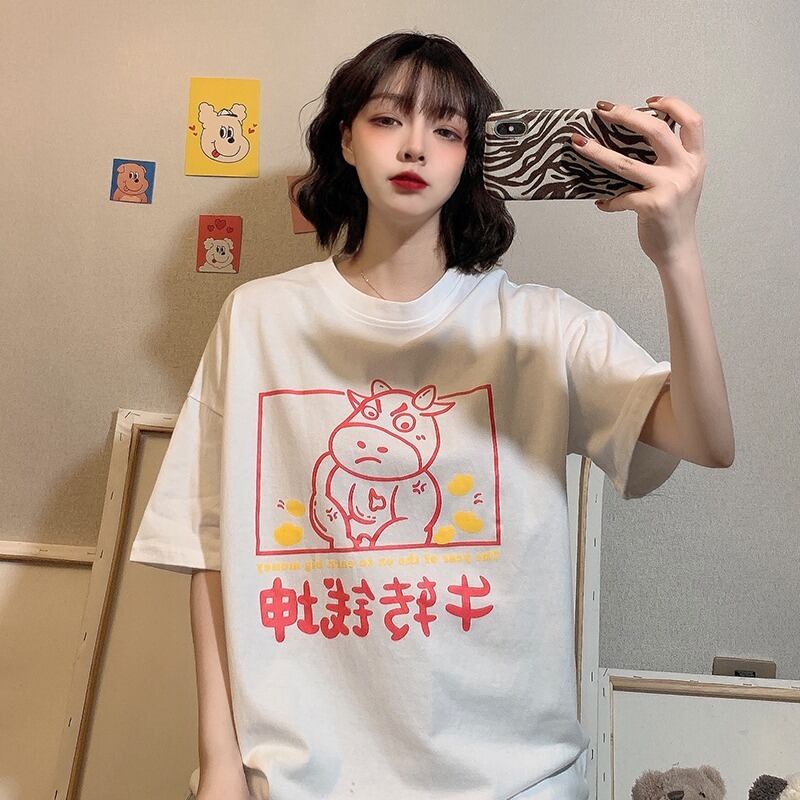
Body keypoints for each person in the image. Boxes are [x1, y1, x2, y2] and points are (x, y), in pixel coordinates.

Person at [130, 30, 733, 800]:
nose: (415, 145)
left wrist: (676, 250)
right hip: (295, 781)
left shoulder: (539, 327)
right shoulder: (258, 320)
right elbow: (210, 546)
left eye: (447, 130)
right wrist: (220, 766)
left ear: (475, 156)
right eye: (387, 119)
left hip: (519, 782)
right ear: (345, 138)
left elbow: (707, 440)